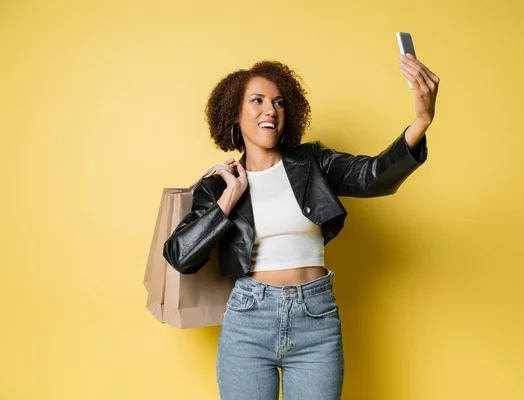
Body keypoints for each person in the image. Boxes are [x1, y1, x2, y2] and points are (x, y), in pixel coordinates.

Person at [163, 56, 439, 400]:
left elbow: (374, 176)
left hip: (316, 318)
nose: (271, 110)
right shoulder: (219, 185)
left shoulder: (313, 163)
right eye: (257, 101)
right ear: (235, 113)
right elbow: (180, 256)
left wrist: (421, 121)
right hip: (248, 321)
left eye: (279, 102)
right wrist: (228, 200)